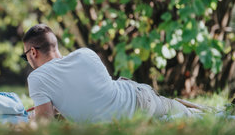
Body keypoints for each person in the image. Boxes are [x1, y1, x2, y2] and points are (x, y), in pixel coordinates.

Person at [22, 24, 198, 123]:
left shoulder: (37, 78)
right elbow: (97, 94)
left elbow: (45, 125)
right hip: (141, 100)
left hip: (127, 118)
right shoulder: (85, 54)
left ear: (33, 52)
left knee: (175, 115)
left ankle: (204, 113)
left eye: (26, 56)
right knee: (173, 110)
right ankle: (215, 113)